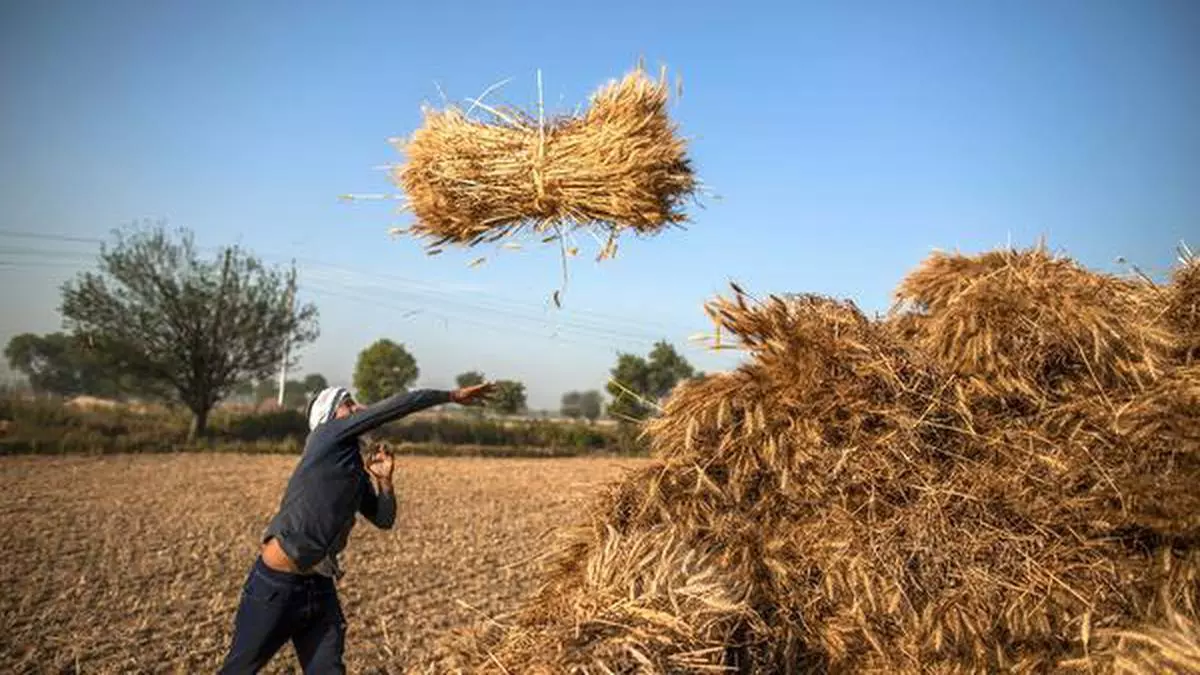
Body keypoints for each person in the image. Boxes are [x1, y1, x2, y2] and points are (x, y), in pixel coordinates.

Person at [219, 382, 493, 674]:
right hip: (277, 584)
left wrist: (384, 482)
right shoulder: (325, 437)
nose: (358, 408)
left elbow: (383, 519)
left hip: (319, 585)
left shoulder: (351, 467)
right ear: (328, 416)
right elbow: (395, 406)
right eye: (348, 404)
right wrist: (449, 396)